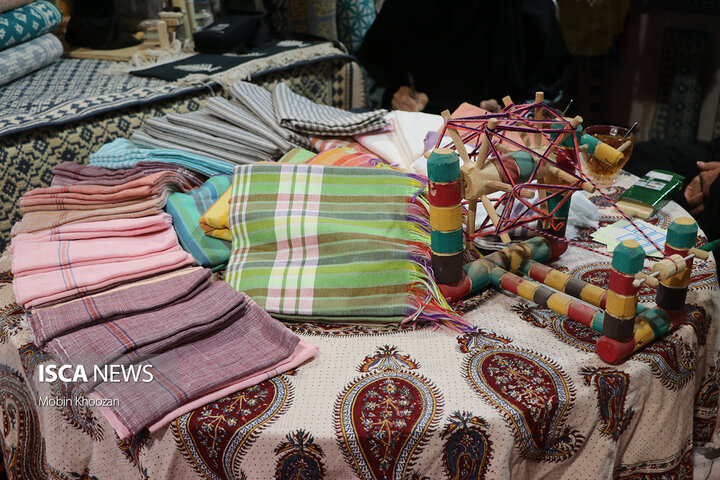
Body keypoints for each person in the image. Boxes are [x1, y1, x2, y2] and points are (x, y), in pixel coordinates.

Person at [357, 0, 570, 114]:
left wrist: (517, 113)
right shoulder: (407, 6)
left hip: (503, 144)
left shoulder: (528, 9)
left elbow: (550, 89)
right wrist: (394, 97)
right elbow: (373, 75)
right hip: (420, 135)